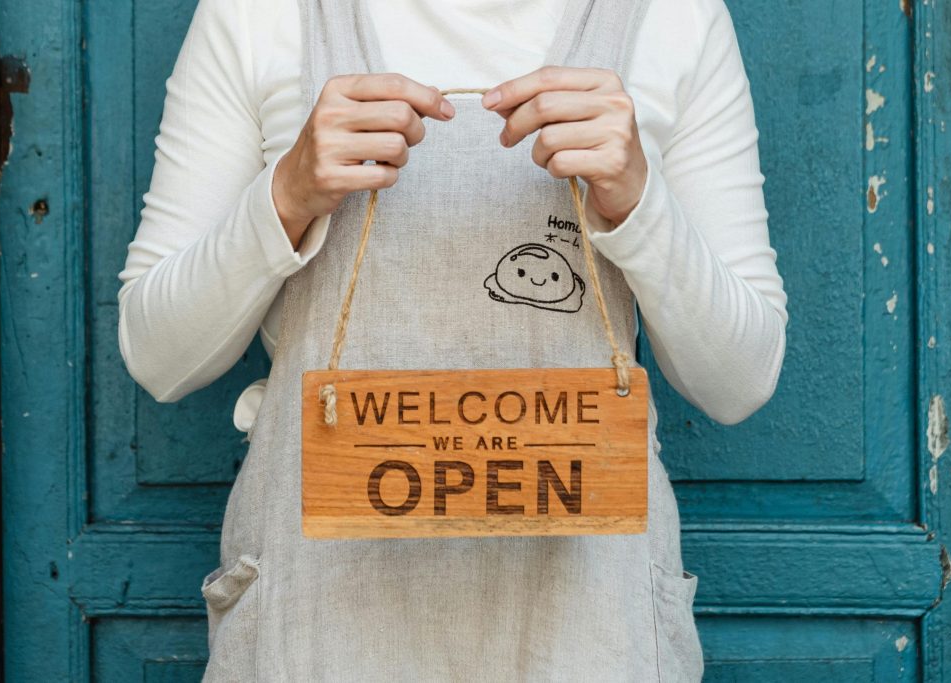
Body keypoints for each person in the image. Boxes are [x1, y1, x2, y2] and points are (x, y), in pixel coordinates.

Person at [117, 0, 788, 679]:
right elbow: (159, 354)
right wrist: (287, 192)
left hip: (586, 627)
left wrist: (639, 198)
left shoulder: (673, 18)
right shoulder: (261, 16)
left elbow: (739, 379)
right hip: (322, 623)